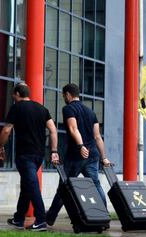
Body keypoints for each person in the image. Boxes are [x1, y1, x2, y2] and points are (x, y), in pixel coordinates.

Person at [46, 83, 111, 227]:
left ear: (68, 95)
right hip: (93, 154)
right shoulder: (91, 112)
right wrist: (104, 157)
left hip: (77, 155)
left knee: (65, 185)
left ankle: (50, 217)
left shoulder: (68, 108)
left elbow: (73, 128)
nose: (64, 98)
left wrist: (81, 146)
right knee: (95, 185)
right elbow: (98, 137)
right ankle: (104, 218)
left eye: (64, 95)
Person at [0, 83, 59, 231]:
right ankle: (19, 218)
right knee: (26, 186)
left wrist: (1, 147)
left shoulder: (16, 107)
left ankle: (41, 220)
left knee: (31, 186)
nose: (13, 97)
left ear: (17, 94)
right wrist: (54, 150)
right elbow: (53, 130)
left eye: (14, 95)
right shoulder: (42, 109)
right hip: (39, 155)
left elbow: (6, 130)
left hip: (25, 154)